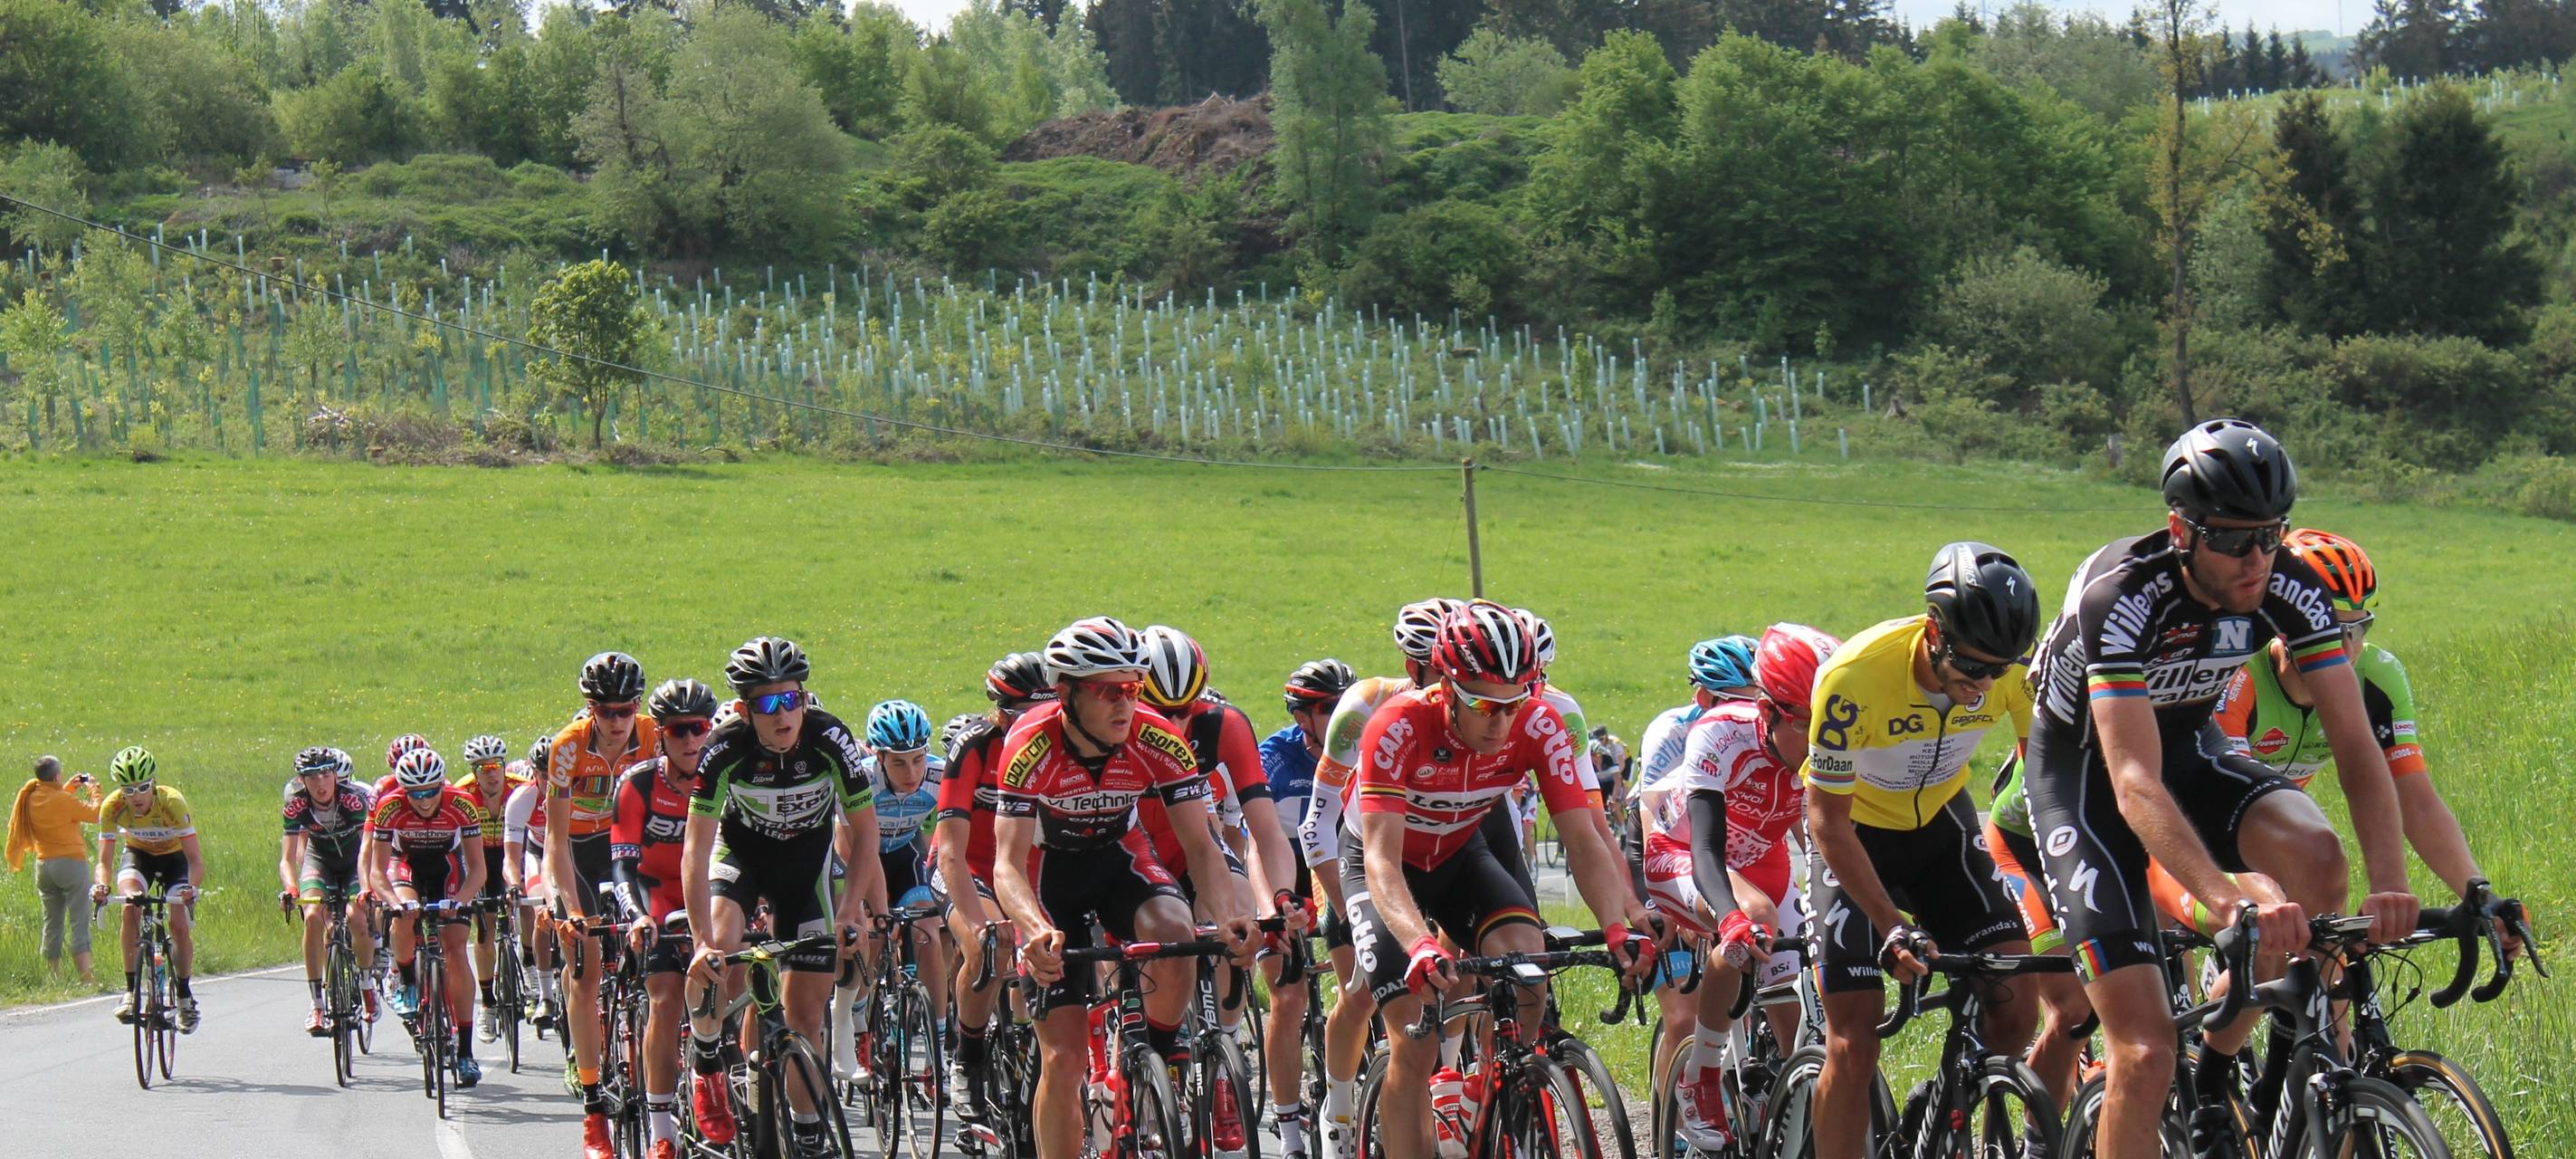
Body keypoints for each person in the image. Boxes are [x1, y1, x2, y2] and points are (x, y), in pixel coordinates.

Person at [2026, 419, 2419, 1159]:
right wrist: (2224, 898)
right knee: (2144, 1053)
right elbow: (2131, 779)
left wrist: (2391, 883)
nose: (2257, 559)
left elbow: (2355, 745)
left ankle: (2235, 1066)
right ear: (2182, 530)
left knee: (2318, 856)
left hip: (2188, 744)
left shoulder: (2289, 586)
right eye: (2235, 540)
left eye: (2271, 534)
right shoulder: (2122, 594)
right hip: (2083, 774)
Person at [1344, 600, 1660, 1159]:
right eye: (1485, 705)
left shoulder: (1539, 723)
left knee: (1528, 972)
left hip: (1459, 853)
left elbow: (1583, 839)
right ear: (1445, 687)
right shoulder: (1396, 726)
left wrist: (1616, 926)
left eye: (1516, 702)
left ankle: (1483, 1096)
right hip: (1383, 868)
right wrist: (1419, 944)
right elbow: (1382, 862)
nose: (1501, 722)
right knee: (1414, 1040)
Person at [1804, 543, 2042, 1159]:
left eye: (1998, 669)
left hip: (1942, 830)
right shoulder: (1855, 677)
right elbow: (1827, 820)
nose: (1983, 684)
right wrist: (1890, 924)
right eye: (1972, 664)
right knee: (1854, 1044)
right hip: (1855, 839)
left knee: (2018, 1005)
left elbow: (2049, 780)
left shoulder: (2012, 672)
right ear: (1934, 631)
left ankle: (1939, 1104)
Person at [991, 616, 1256, 1159]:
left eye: (1132, 690)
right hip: (1047, 876)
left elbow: (1202, 845)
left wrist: (1227, 915)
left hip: (1119, 856)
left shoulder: (1156, 736)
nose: (1124, 704)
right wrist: (1035, 930)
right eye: (1107, 692)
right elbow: (1006, 865)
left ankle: (1148, 1071)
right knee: (1063, 1060)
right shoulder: (1029, 745)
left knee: (1178, 932)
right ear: (1065, 693)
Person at [2213, 528, 2514, 934]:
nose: (2348, 649)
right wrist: (2277, 907)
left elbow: (2416, 800)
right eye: (2331, 629)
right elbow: (2223, 806)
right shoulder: (2239, 674)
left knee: (2323, 948)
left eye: (2360, 629)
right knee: (2267, 941)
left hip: (2269, 832)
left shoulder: (2377, 675)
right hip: (2194, 834)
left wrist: (2480, 897)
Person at [683, 637, 884, 1159]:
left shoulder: (829, 738)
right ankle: (707, 1059)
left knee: (807, 1016)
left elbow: (866, 833)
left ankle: (809, 1129)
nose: (782, 714)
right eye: (768, 703)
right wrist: (701, 941)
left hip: (804, 870)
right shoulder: (724, 750)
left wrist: (850, 910)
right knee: (721, 943)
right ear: (745, 710)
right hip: (742, 859)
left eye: (791, 699)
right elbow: (695, 849)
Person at [1636, 625, 1837, 1149]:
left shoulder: (1827, 743)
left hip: (1763, 862)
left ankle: (1784, 1105)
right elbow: (1705, 847)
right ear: (1769, 712)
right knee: (1754, 918)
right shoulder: (1721, 732)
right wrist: (1730, 919)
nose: (1819, 743)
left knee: (1793, 1009)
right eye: (1807, 726)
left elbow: (1826, 842)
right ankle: (1700, 1077)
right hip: (1683, 853)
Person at [1138, 624, 1301, 1159]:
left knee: (1239, 914)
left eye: (1186, 709)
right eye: (1160, 710)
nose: (1175, 724)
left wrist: (1281, 896)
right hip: (1131, 853)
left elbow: (1265, 827)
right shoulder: (1115, 727)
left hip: (1195, 849)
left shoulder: (1224, 724)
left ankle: (1224, 1055)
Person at [1303, 597, 1457, 1159]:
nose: (1452, 682)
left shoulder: (1480, 716)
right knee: (1362, 993)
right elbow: (1315, 825)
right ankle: (1340, 1111)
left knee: (1463, 977)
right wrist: (1349, 910)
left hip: (1432, 858)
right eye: (1437, 668)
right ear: (1412, 665)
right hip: (1359, 856)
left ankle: (1448, 1096)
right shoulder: (1366, 704)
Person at [549, 651, 661, 1156]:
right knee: (587, 969)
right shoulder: (568, 747)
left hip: (630, 843)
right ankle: (593, 1105)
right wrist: (571, 909)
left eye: (626, 710)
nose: (617, 721)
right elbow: (554, 840)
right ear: (590, 708)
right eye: (605, 711)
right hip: (580, 847)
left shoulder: (654, 734)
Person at [612, 679, 720, 1159]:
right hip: (655, 897)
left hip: (711, 893)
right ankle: (661, 1128)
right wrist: (637, 917)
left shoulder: (722, 776)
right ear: (660, 734)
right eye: (679, 731)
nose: (691, 739)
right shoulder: (637, 783)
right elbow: (622, 864)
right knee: (666, 997)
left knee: (736, 977)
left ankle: (724, 1079)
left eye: (700, 728)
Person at [1259, 657, 1355, 1159]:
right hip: (1286, 870)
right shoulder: (1275, 758)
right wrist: (1275, 907)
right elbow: (1257, 841)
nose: (1344, 715)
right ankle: (1290, 1132)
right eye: (1331, 707)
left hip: (1343, 866)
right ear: (1302, 717)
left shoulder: (1364, 749)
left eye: (1347, 703)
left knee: (1365, 984)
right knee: (1289, 996)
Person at [367, 747, 488, 1087]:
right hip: (406, 865)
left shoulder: (461, 803)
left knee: (456, 950)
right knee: (404, 913)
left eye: (431, 791)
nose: (424, 800)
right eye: (415, 793)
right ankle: (407, 982)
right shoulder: (390, 806)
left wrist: (460, 901)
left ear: (441, 785)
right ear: (404, 790)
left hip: (447, 866)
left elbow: (477, 868)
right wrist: (393, 902)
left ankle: (465, 1053)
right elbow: (377, 871)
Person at [852, 698, 946, 1084]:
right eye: (899, 763)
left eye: (918, 759)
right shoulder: (861, 779)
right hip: (860, 857)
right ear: (879, 758)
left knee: (928, 933)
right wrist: (867, 905)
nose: (912, 773)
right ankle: (859, 1025)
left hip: (905, 855)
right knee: (871, 937)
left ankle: (939, 1045)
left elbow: (954, 835)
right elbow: (846, 847)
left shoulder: (939, 775)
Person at [91, 746, 205, 1030]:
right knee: (130, 906)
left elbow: (195, 860)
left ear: (153, 783)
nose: (137, 796)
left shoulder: (172, 802)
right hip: (139, 856)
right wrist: (102, 886)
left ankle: (184, 997)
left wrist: (191, 889)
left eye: (143, 788)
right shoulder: (112, 806)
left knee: (178, 924)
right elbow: (104, 861)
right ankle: (131, 992)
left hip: (176, 860)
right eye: (128, 790)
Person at [281, 746, 378, 1034]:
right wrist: (291, 888)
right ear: (302, 780)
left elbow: (367, 849)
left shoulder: (354, 800)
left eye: (325, 775)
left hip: (354, 861)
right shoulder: (295, 805)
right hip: (319, 859)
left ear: (335, 775)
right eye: (311, 777)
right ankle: (317, 1004)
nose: (320, 783)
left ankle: (366, 985)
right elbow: (287, 858)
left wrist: (367, 887)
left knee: (357, 917)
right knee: (312, 917)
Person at [452, 733, 522, 1043]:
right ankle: (488, 1005)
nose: (492, 773)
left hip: (512, 854)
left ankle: (530, 967)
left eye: (497, 766)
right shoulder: (462, 793)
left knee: (527, 905)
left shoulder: (519, 788)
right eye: (484, 768)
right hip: (479, 859)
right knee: (485, 927)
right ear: (474, 772)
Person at [8, 754, 101, 983]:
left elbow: (55, 805)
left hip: (44, 866)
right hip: (71, 864)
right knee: (79, 919)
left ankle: (54, 976)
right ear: (57, 776)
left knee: (52, 922)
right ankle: (85, 976)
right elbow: (95, 814)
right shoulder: (63, 800)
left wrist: (67, 788)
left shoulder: (30, 797)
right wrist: (94, 789)